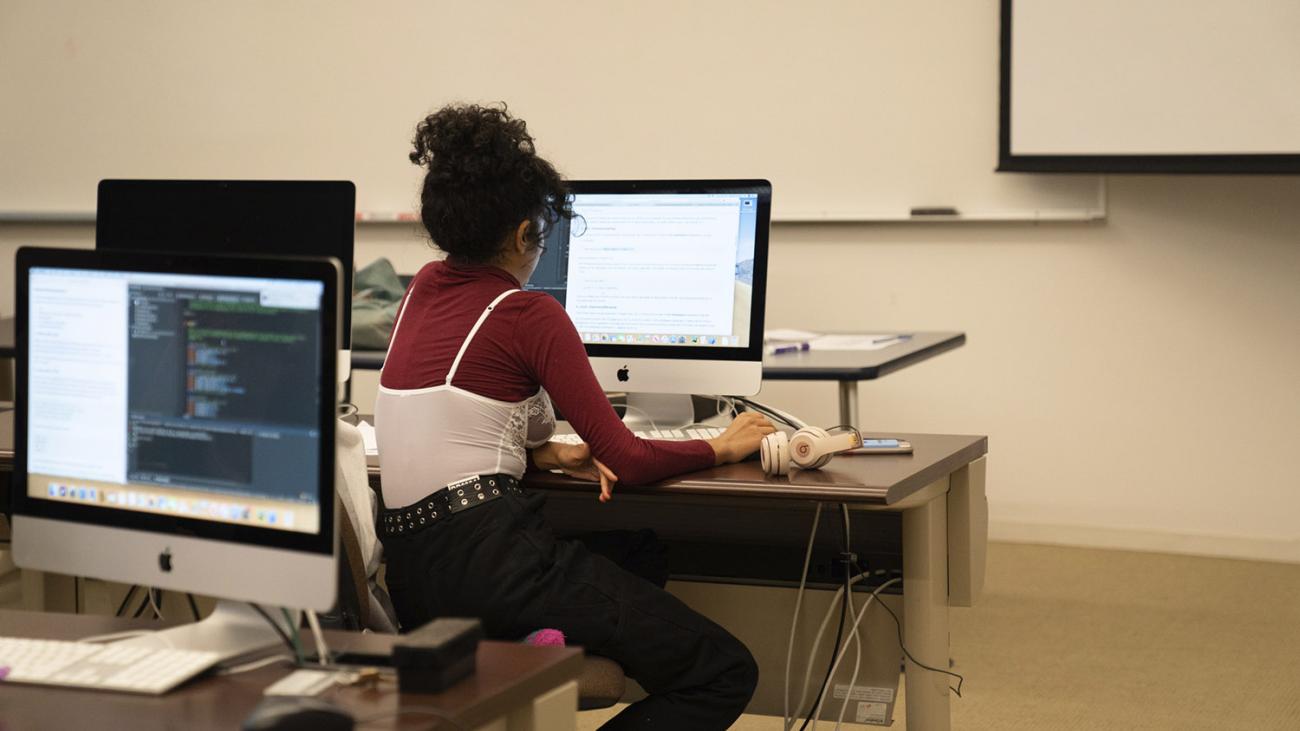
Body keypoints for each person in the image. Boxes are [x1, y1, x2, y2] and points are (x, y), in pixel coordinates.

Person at [374, 103, 775, 729]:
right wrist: (722, 447)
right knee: (725, 672)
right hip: (494, 560)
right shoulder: (528, 314)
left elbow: (479, 412)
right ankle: (541, 641)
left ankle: (543, 646)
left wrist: (550, 451)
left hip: (414, 573)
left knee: (638, 553)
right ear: (522, 233)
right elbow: (629, 458)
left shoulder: (422, 288)